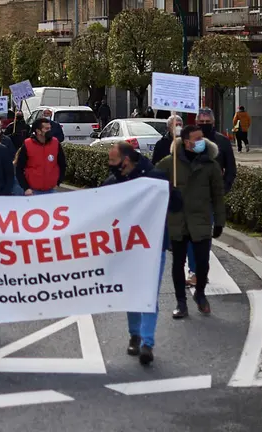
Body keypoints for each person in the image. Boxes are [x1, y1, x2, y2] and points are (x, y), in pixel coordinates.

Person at [102, 142, 181, 365]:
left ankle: (147, 342)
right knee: (132, 293)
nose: (110, 165)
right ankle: (134, 334)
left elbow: (176, 205)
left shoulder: (155, 179)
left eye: (113, 161)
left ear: (126, 161)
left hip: (152, 247)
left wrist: (171, 191)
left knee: (148, 295)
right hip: (125, 249)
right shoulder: (112, 183)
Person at [155, 125, 226, 319]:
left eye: (202, 138)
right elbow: (153, 184)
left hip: (201, 220)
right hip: (177, 221)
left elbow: (217, 195)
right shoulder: (170, 164)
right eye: (196, 138)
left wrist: (219, 221)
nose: (201, 141)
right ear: (186, 142)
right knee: (178, 263)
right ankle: (181, 303)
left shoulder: (210, 165)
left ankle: (200, 294)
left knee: (202, 263)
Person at [188, 108, 236, 287]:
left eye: (207, 121)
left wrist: (222, 190)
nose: (204, 123)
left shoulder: (223, 142)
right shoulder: (189, 141)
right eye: (201, 121)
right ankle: (194, 270)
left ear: (213, 122)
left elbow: (231, 170)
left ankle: (199, 272)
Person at [15, 118, 66, 196]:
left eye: (50, 128)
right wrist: (26, 188)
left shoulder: (55, 143)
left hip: (51, 190)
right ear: (38, 131)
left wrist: (58, 182)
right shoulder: (27, 144)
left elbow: (62, 164)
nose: (50, 131)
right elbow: (19, 168)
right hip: (32, 191)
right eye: (46, 129)